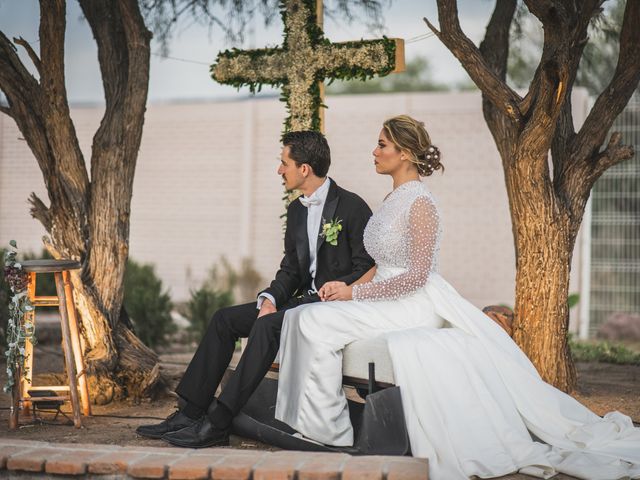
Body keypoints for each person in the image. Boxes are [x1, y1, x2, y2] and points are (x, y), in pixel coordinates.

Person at [275, 115, 640, 479]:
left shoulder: (421, 204)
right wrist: (347, 290)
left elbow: (417, 276)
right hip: (381, 295)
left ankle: (330, 432)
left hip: (410, 304)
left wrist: (356, 293)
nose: (375, 151)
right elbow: (380, 263)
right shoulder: (393, 199)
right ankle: (319, 426)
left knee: (309, 320)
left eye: (382, 144)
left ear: (404, 153)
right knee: (301, 315)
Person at [136, 130, 374, 448]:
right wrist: (270, 298)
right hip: (298, 302)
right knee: (224, 319)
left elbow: (367, 267)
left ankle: (218, 423)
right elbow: (291, 269)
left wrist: (339, 288)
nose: (279, 170)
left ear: (304, 168)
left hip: (332, 308)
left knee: (267, 328)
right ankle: (190, 412)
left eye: (283, 162)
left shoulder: (353, 208)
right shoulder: (297, 210)